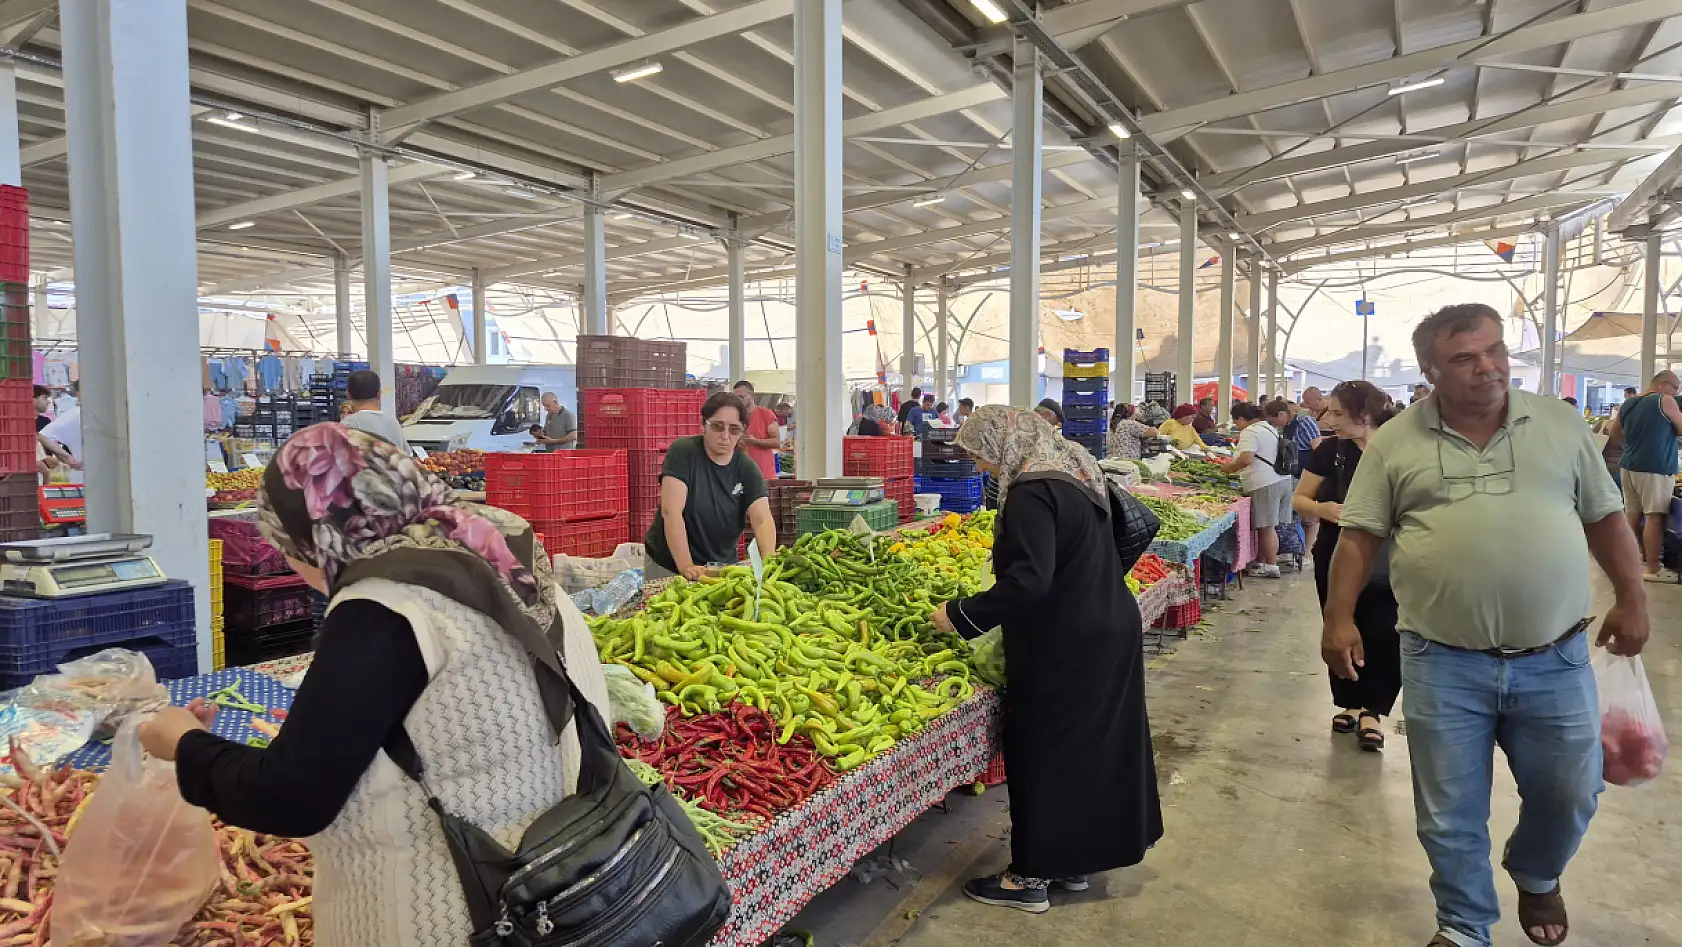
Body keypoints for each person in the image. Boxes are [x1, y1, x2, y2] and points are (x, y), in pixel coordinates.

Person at [135, 423, 612, 947]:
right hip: (553, 886)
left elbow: (290, 797)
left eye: (288, 549)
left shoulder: (385, 607)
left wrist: (183, 744)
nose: (295, 569)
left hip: (452, 917)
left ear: (313, 534)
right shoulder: (501, 554)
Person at [1325, 303, 1648, 947]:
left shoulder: (1557, 424)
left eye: (1494, 350)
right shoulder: (1396, 440)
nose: (1487, 367)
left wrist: (1634, 598)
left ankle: (1536, 871)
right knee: (1448, 812)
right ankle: (1465, 923)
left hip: (1554, 657)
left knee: (1572, 791)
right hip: (1441, 659)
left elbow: (1607, 519)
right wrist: (1338, 619)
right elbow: (1359, 535)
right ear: (1431, 371)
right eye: (1464, 358)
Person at [929, 406, 1161, 913]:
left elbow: (1029, 582)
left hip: (1066, 637)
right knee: (1088, 750)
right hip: (1107, 620)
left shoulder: (1032, 491)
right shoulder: (1077, 469)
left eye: (981, 457)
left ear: (1003, 444)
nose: (982, 469)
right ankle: (1071, 861)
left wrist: (963, 613)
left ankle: (1029, 877)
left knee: (1043, 749)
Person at [1293, 380, 1399, 752]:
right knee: (1340, 622)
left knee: (1385, 629)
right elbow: (1300, 499)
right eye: (1330, 412)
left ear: (1365, 413)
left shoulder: (1398, 448)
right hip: (1335, 552)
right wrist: (1322, 509)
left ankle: (1374, 710)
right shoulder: (1329, 452)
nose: (1330, 420)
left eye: (1338, 413)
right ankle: (1350, 703)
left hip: (1391, 556)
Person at [646, 392, 776, 578]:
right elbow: (671, 512)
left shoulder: (746, 468)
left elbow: (762, 519)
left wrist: (769, 563)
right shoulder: (683, 453)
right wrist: (686, 566)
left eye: (734, 429)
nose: (725, 436)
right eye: (717, 426)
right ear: (703, 425)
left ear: (742, 432)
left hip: (719, 566)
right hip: (668, 565)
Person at [1605, 370, 1682, 582]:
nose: (1677, 393)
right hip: (1656, 467)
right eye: (1676, 388)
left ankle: (1630, 560)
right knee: (1654, 517)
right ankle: (1653, 569)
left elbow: (1615, 434)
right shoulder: (1664, 400)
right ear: (1663, 385)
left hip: (1629, 466)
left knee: (1632, 514)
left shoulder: (1628, 404)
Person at [1220, 401, 1291, 578]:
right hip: (1281, 480)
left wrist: (1226, 469)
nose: (1236, 425)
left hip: (1265, 482)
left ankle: (1272, 566)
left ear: (1242, 419)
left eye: (1236, 421)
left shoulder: (1250, 432)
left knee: (1267, 527)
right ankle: (1261, 562)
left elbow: (1246, 459)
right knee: (1265, 525)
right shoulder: (1267, 428)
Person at [1282, 398, 1324, 554]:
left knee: (1309, 517)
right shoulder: (1287, 426)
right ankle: (1295, 550)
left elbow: (1318, 447)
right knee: (1294, 515)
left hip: (1306, 475)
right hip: (1292, 475)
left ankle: (1306, 552)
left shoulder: (1306, 422)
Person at [339, 370, 411, 454]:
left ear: (348, 394)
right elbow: (408, 454)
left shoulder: (348, 423)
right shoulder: (393, 422)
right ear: (379, 394)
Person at [732, 380, 781, 480]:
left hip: (764, 476)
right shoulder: (734, 417)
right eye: (736, 398)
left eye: (741, 397)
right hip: (740, 475)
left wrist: (755, 441)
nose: (738, 401)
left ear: (751, 395)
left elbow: (776, 442)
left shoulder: (766, 414)